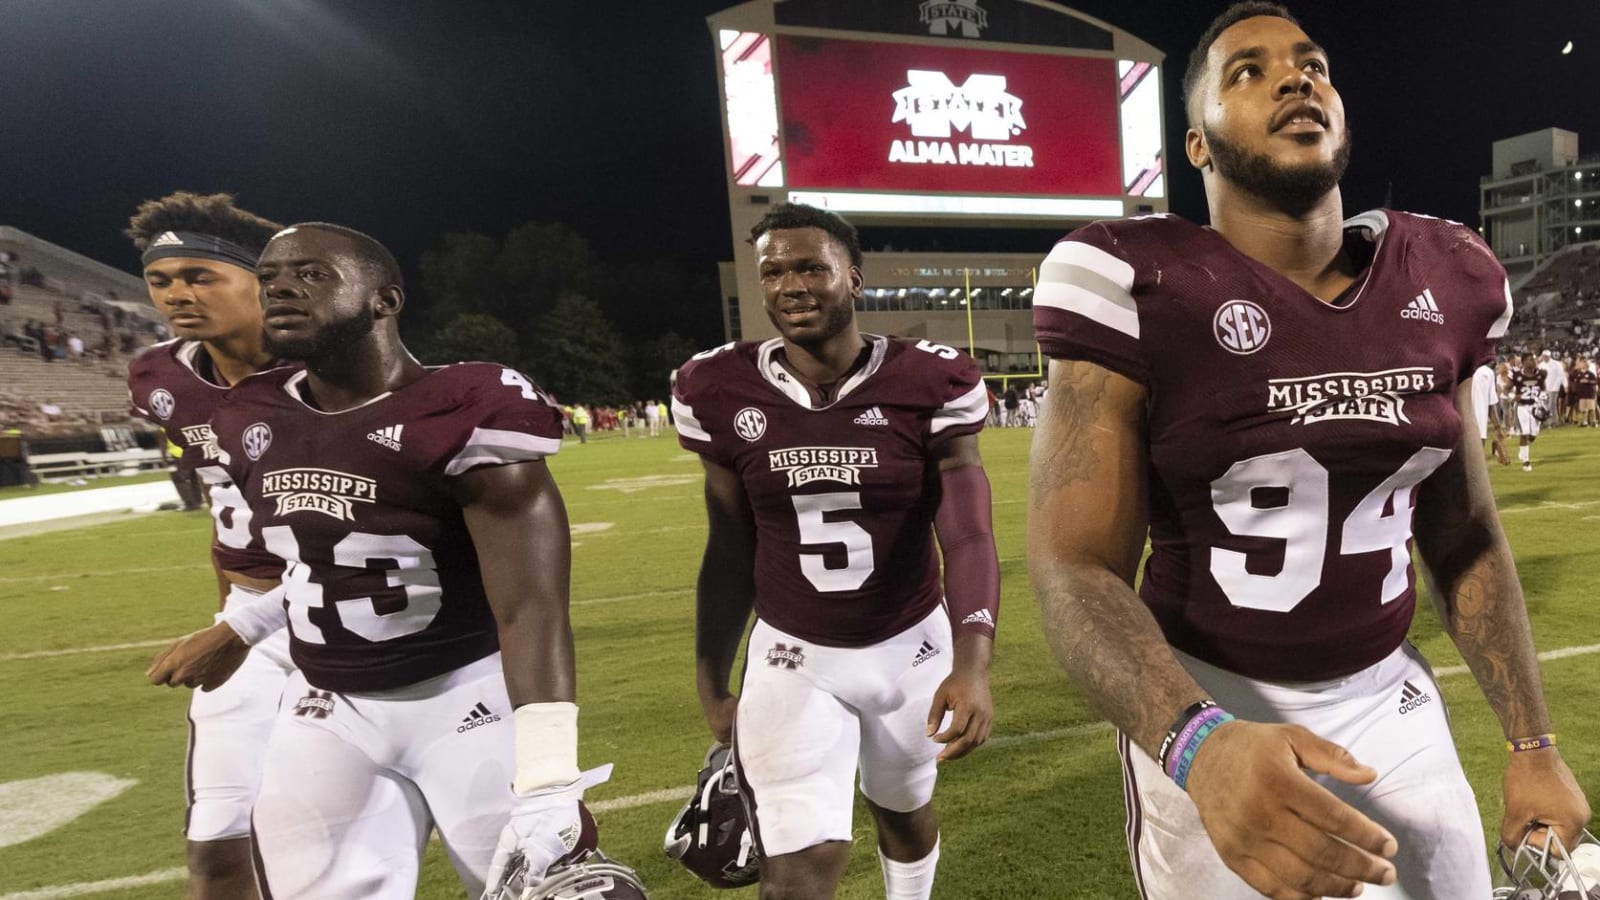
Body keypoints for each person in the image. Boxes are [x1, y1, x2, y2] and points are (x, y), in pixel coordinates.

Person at [1027, 5, 1591, 900]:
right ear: (1198, 144)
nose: (1295, 79)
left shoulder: (1447, 274)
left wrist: (1533, 744)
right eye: (1246, 71)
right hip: (1210, 698)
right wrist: (1196, 744)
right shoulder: (1132, 280)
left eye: (1312, 64)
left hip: (1391, 698)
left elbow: (1465, 534)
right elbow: (1073, 569)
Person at [145, 223, 619, 898]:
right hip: (326, 710)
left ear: (384, 300)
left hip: (465, 699)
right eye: (272, 273)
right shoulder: (251, 414)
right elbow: (322, 566)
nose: (280, 285)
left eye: (311, 274)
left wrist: (545, 778)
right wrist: (240, 628)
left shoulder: (464, 407)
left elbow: (531, 606)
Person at [673, 202, 999, 900]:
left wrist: (974, 662)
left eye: (811, 268)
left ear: (853, 279)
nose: (792, 285)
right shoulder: (719, 388)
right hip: (796, 653)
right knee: (798, 872)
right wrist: (711, 685)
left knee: (903, 815)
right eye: (774, 272)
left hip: (910, 647)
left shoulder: (928, 383)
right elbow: (728, 548)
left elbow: (968, 531)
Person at [125, 191, 291, 900]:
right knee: (219, 851)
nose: (177, 295)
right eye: (161, 280)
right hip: (250, 630)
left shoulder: (336, 372)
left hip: (359, 626)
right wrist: (230, 616)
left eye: (199, 275)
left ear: (259, 280)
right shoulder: (161, 378)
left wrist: (239, 626)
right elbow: (223, 514)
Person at [1510, 353, 1549, 471]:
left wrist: (1543, 397)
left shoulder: (1541, 374)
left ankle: (1522, 451)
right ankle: (1526, 462)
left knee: (1533, 435)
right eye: (1531, 359)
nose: (1534, 361)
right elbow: (1506, 389)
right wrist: (1513, 396)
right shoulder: (1516, 375)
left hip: (1535, 406)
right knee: (1524, 433)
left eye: (1534, 359)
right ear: (1524, 362)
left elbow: (1543, 388)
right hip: (1522, 406)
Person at [1471, 360, 1509, 465]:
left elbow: (1490, 402)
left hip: (1479, 423)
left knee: (1475, 464)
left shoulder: (1487, 372)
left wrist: (1497, 426)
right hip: (1465, 423)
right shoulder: (1460, 368)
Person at [1571, 357, 1598, 427]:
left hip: (1589, 393)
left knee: (1591, 409)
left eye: (1584, 364)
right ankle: (1585, 422)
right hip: (1582, 394)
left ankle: (1594, 421)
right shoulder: (1579, 374)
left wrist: (1588, 381)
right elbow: (1573, 378)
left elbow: (1595, 381)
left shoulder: (1591, 373)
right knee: (1583, 409)